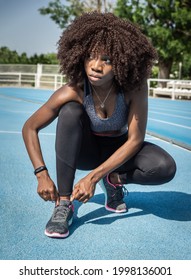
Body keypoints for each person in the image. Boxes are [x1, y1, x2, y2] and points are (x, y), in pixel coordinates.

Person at [22, 11, 176, 238]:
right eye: (91, 56)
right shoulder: (73, 90)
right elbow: (30, 127)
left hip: (119, 151)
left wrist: (93, 178)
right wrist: (41, 174)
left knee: (165, 167)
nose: (96, 66)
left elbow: (135, 140)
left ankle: (112, 180)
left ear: (124, 61)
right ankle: (64, 204)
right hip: (87, 152)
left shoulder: (134, 88)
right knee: (70, 112)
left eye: (107, 59)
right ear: (80, 55)